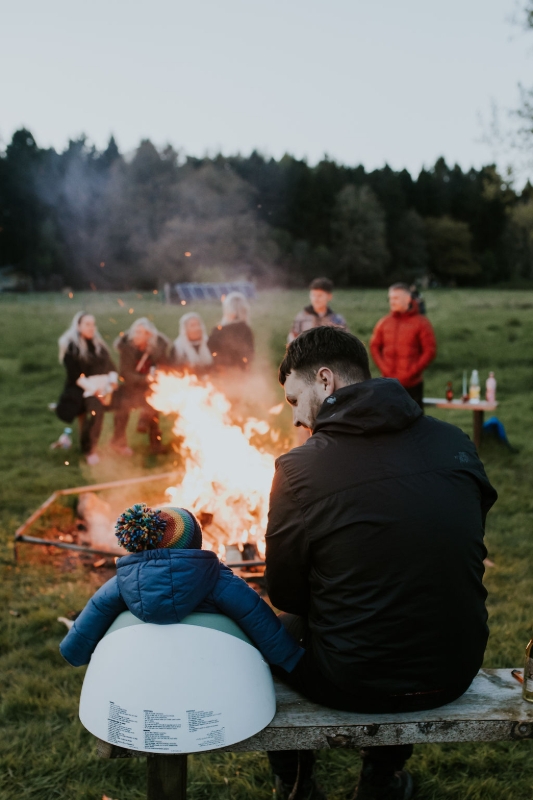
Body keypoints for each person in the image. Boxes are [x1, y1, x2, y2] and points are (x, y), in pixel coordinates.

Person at [265, 326, 497, 800]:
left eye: (294, 401)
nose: (295, 419)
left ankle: (295, 782)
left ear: (325, 381)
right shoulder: (455, 443)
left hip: (354, 681)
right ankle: (381, 778)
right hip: (455, 668)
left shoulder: (298, 468)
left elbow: (287, 593)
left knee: (275, 627)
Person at [59, 504, 303, 675]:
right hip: (214, 672)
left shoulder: (120, 583)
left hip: (148, 675)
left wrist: (74, 652)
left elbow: (93, 616)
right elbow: (254, 614)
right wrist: (288, 657)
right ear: (195, 544)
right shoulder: (219, 579)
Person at [56, 312, 118, 466]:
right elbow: (76, 376)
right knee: (96, 410)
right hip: (81, 390)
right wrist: (96, 392)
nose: (91, 328)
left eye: (93, 324)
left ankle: (119, 442)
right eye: (87, 324)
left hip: (104, 387)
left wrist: (113, 382)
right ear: (78, 326)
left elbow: (111, 367)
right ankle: (89, 449)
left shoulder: (99, 346)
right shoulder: (72, 347)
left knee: (128, 400)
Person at [370, 282, 437, 411]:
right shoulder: (384, 323)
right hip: (388, 383)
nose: (392, 301)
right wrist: (385, 369)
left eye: (396, 298)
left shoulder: (421, 323)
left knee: (414, 425)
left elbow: (430, 351)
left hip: (412, 385)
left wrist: (412, 372)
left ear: (407, 299)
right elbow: (374, 347)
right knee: (388, 422)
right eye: (390, 298)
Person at [111, 318, 170, 456]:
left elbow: (164, 366)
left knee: (153, 400)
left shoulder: (156, 349)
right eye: (135, 332)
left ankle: (155, 442)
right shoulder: (127, 348)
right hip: (131, 388)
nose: (136, 335)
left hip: (150, 388)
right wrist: (145, 379)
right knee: (123, 406)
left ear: (148, 335)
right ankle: (118, 442)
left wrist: (156, 377)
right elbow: (125, 373)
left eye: (141, 333)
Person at [288, 277, 347, 343]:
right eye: (313, 295)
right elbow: (292, 339)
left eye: (320, 295)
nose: (315, 299)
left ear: (329, 296)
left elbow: (345, 342)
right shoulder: (302, 317)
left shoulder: (337, 320)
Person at [207, 292, 254, 369]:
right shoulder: (246, 330)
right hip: (241, 373)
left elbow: (210, 349)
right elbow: (250, 354)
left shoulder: (220, 331)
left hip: (223, 373)